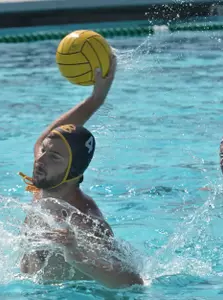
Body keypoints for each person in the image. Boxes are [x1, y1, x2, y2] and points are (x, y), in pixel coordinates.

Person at [17, 53, 144, 288]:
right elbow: (45, 140)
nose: (39, 159)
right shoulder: (45, 182)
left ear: (73, 170)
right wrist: (95, 100)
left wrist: (77, 256)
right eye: (43, 151)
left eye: (53, 155)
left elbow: (133, 283)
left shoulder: (86, 221)